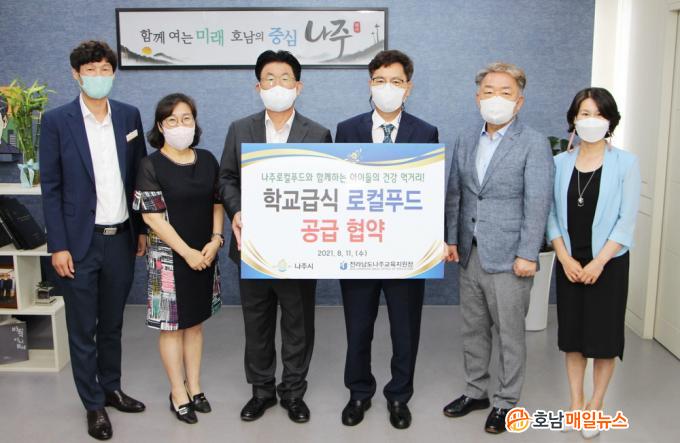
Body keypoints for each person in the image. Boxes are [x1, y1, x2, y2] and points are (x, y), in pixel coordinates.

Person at [39, 40, 147, 441]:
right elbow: (51, 187)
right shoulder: (57, 121)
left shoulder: (128, 116)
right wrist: (58, 245)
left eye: (105, 69)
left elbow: (139, 177)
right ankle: (93, 404)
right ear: (76, 74)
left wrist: (142, 230)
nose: (98, 76)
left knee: (113, 323)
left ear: (113, 73)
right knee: (83, 327)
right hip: (78, 243)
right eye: (90, 70)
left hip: (121, 238)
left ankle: (112, 387)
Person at [219, 50, 332, 424]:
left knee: (298, 324)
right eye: (269, 78)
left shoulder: (318, 134)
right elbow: (226, 177)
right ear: (258, 87)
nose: (277, 85)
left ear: (299, 87)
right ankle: (262, 391)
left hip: (300, 248)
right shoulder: (240, 129)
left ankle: (293, 392)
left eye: (285, 78)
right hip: (252, 246)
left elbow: (329, 187)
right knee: (257, 323)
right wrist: (236, 211)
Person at [443, 62, 554, 434]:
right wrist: (451, 239)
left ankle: (506, 401)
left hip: (510, 256)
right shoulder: (466, 139)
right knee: (473, 329)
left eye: (505, 92)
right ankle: (476, 391)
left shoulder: (533, 142)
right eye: (488, 91)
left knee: (509, 333)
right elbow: (456, 194)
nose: (496, 98)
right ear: (478, 98)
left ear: (519, 101)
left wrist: (528, 253)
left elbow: (538, 202)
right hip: (470, 251)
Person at [335, 49, 439, 430]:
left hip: (406, 252)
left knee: (405, 329)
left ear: (408, 88)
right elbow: (336, 187)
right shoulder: (347, 130)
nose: (387, 88)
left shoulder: (425, 132)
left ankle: (399, 395)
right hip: (359, 247)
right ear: (370, 85)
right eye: (380, 81)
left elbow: (430, 193)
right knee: (358, 327)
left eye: (396, 81)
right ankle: (359, 392)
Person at [546, 87, 639, 439]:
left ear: (610, 121)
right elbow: (550, 215)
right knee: (572, 338)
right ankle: (576, 402)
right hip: (570, 261)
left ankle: (596, 405)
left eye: (599, 114)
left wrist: (599, 262)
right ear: (574, 118)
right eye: (584, 114)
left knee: (603, 339)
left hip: (608, 264)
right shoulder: (559, 163)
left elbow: (626, 221)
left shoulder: (626, 163)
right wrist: (563, 256)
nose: (591, 120)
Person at [133, 93, 223, 424]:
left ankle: (195, 386)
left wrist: (216, 240)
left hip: (204, 254)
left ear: (195, 123)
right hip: (168, 259)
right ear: (160, 126)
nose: (180, 125)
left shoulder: (208, 160)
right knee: (172, 327)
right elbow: (152, 218)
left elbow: (217, 203)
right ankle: (177, 392)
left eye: (186, 118)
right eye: (172, 120)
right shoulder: (150, 165)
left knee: (195, 324)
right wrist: (186, 253)